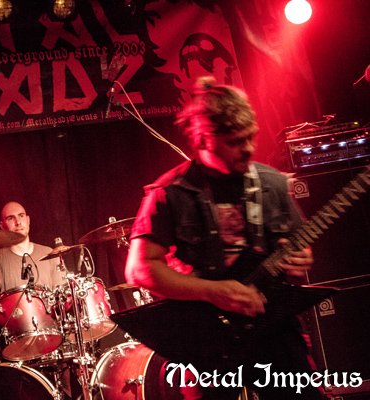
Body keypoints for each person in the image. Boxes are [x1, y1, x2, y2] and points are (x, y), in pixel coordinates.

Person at [125, 76, 326, 399]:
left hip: (274, 327)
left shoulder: (273, 183)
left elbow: (298, 253)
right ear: (203, 140)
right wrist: (213, 292)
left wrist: (300, 260)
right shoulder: (169, 192)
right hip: (206, 336)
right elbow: (140, 269)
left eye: (251, 137)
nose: (249, 148)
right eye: (235, 141)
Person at [0, 201, 65, 296]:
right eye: (11, 218)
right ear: (2, 226)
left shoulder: (50, 254)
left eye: (21, 216)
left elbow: (63, 297)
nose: (18, 222)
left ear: (28, 220)